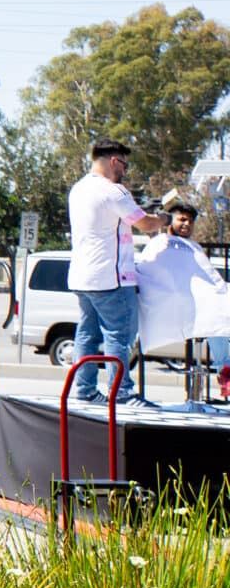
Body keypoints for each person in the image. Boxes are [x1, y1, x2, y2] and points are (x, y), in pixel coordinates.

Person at [67, 138, 166, 404]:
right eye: (124, 164)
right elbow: (145, 224)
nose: (124, 170)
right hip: (111, 279)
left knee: (86, 334)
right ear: (113, 161)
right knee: (120, 334)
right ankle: (120, 392)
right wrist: (163, 218)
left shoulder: (78, 189)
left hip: (81, 276)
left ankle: (85, 390)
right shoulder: (114, 191)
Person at [134, 201, 229, 396]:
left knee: (219, 316)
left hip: (195, 302)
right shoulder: (159, 244)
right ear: (170, 221)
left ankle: (226, 372)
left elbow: (209, 277)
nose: (187, 224)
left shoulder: (194, 247)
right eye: (182, 219)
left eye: (190, 221)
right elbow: (147, 273)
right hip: (167, 301)